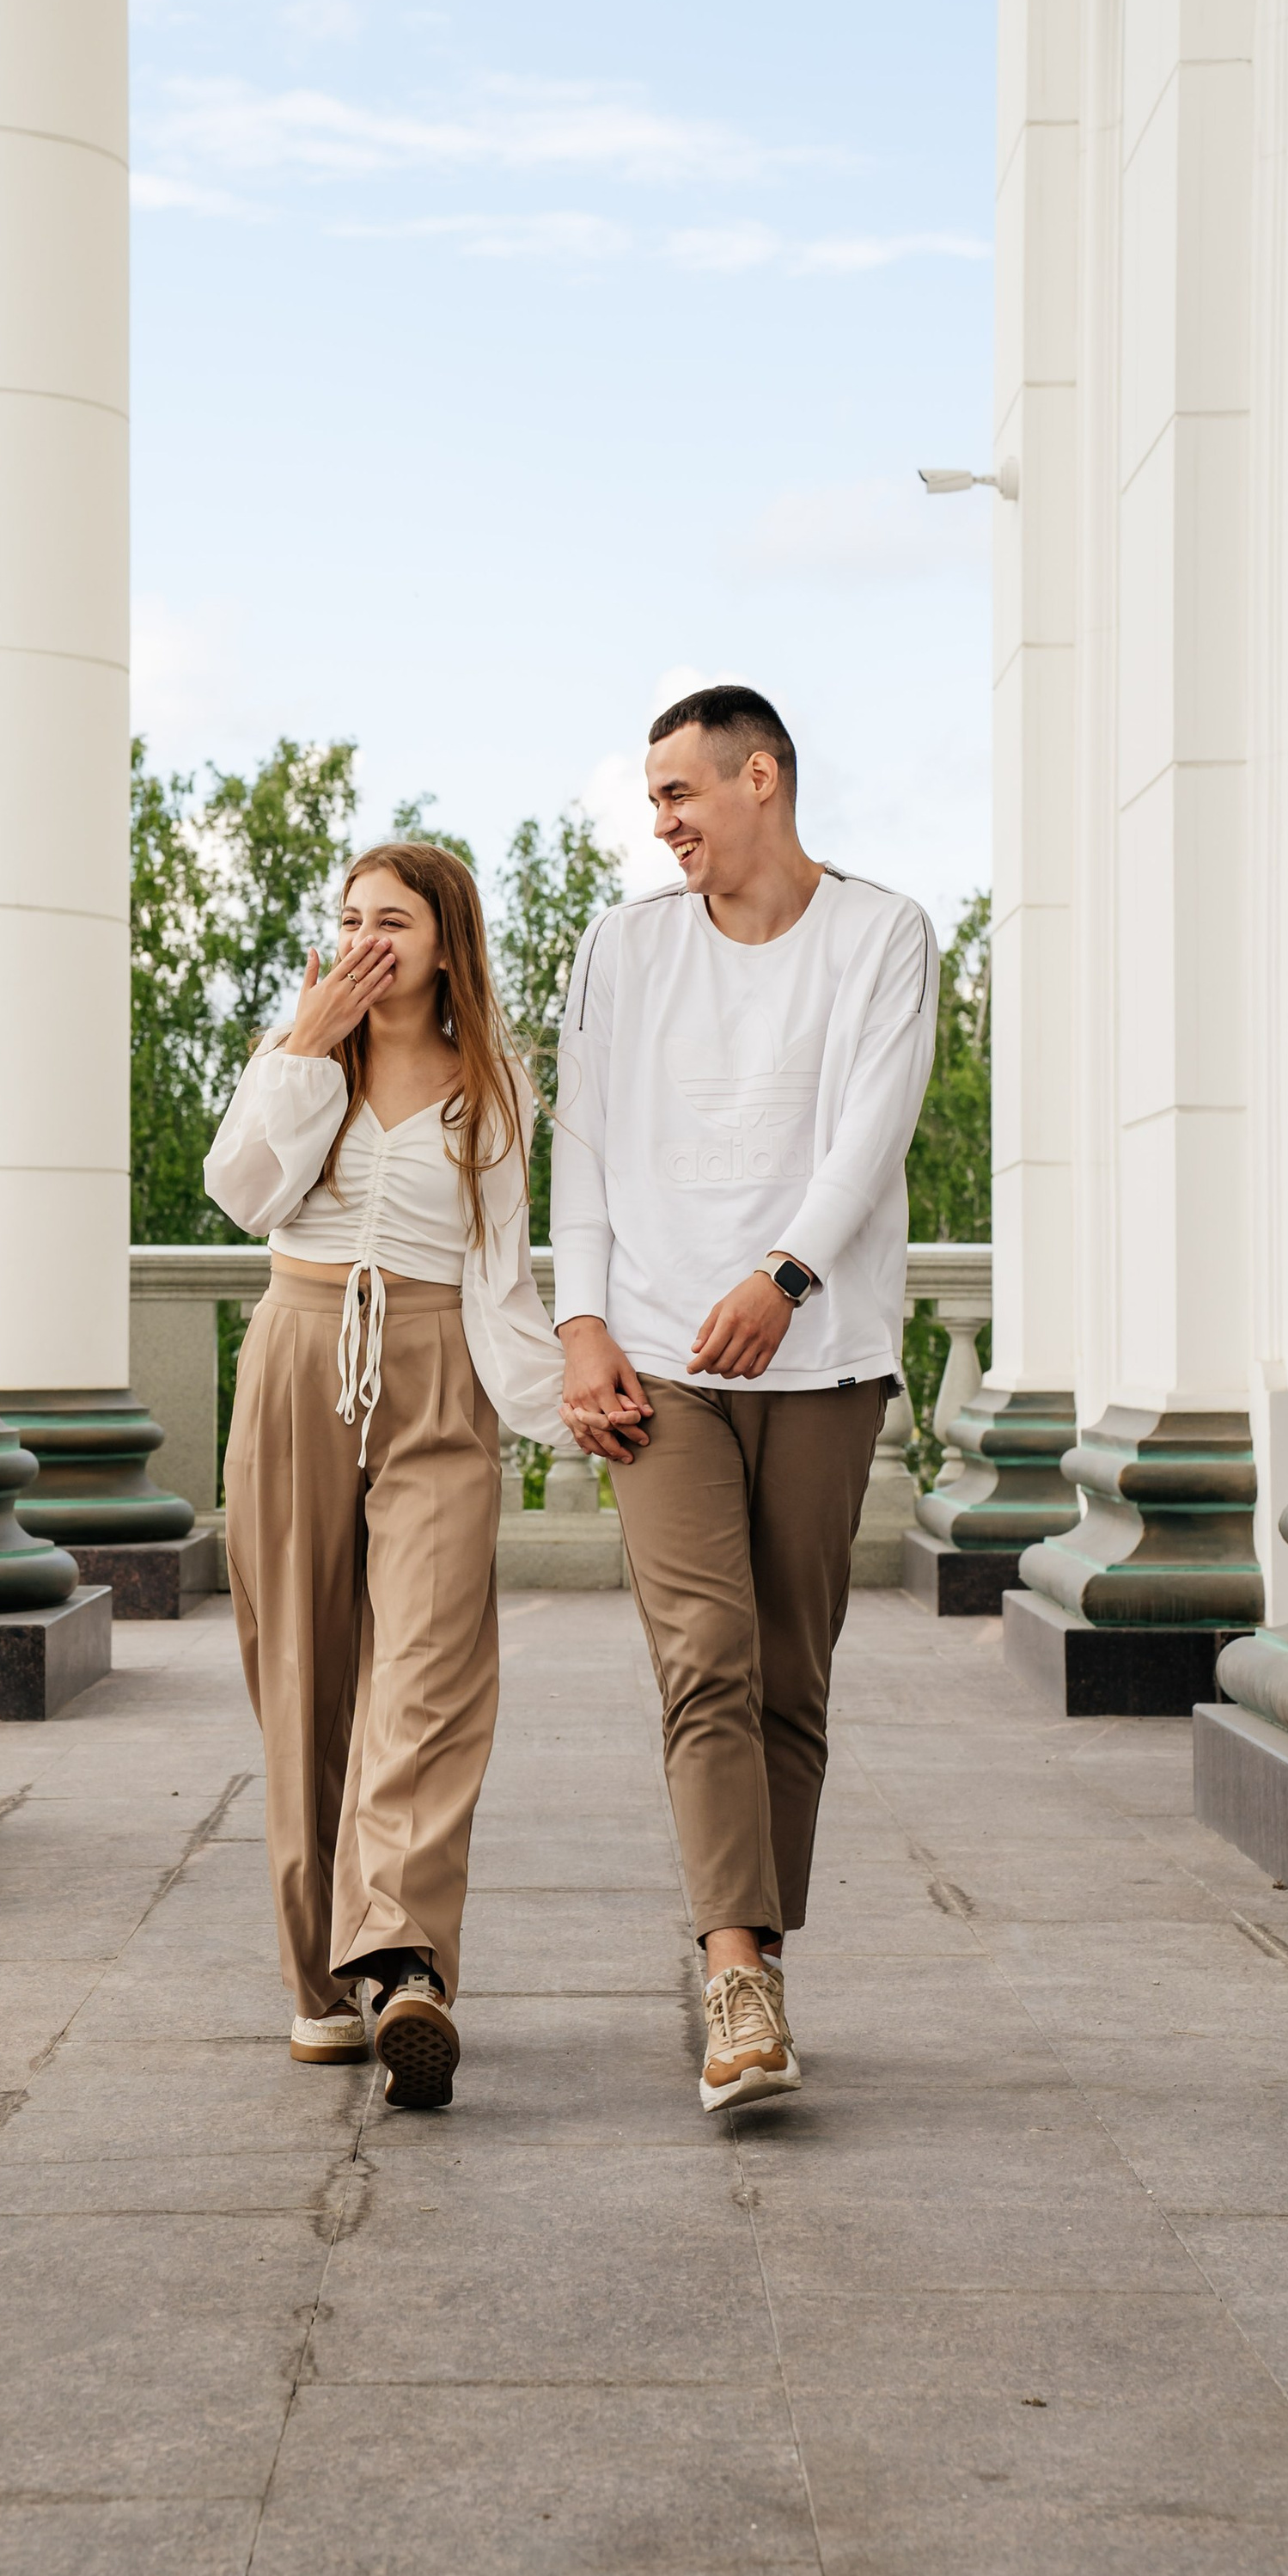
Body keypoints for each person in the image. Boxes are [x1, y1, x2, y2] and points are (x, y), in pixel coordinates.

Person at [552, 686, 937, 2114]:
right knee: (706, 1651)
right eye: (654, 800)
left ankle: (759, 1960)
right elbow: (581, 1144)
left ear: (758, 776)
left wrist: (785, 1275)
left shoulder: (883, 933)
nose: (660, 824)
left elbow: (873, 1122)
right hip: (657, 1349)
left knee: (790, 1660)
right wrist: (582, 1324)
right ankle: (734, 1977)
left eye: (677, 794)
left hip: (821, 1348)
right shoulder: (624, 946)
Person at [205, 841, 565, 2110]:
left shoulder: (495, 1084)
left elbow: (502, 1275)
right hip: (303, 1350)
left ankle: (405, 1960)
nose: (367, 937)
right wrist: (307, 1041)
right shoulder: (303, 1050)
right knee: (302, 1670)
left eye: (393, 918)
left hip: (436, 1370)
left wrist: (567, 1406)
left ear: (444, 935)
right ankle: (321, 1982)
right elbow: (244, 1192)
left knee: (431, 1664)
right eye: (350, 916)